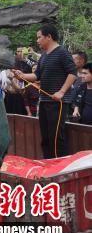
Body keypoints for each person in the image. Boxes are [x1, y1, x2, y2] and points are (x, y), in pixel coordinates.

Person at [13, 24, 77, 158]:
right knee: (45, 136)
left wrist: (61, 92)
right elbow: (37, 76)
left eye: (39, 37)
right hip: (44, 100)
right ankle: (48, 163)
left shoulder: (62, 52)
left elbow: (72, 73)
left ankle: (59, 166)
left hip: (58, 102)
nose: (37, 40)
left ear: (49, 37)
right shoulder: (43, 56)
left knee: (55, 137)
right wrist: (22, 76)